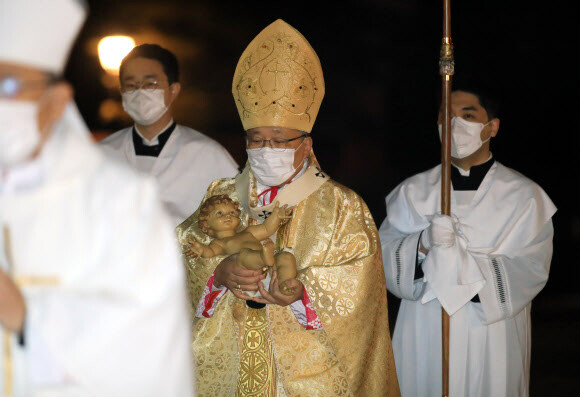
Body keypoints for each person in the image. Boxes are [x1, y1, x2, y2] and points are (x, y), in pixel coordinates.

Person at [176, 19, 400, 396]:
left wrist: (302, 292)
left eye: (278, 140)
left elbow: (358, 289)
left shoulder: (341, 206)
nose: (265, 151)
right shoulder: (224, 193)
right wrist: (219, 272)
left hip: (307, 370)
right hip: (229, 362)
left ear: (307, 144)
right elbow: (184, 247)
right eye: (256, 140)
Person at [0, 1, 194, 395]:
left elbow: (148, 347)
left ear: (55, 102)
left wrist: (26, 318)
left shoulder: (120, 203)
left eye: (8, 85)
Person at [378, 85, 556, 396]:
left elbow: (532, 268)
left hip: (492, 330)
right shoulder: (412, 192)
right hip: (425, 328)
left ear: (492, 126)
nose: (454, 124)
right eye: (446, 115)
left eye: (467, 115)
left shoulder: (525, 197)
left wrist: (462, 270)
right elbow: (382, 257)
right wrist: (421, 244)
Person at [99, 43, 239, 227]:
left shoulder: (207, 155)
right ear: (122, 92)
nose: (140, 92)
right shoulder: (100, 155)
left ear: (173, 90)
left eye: (150, 84)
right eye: (131, 85)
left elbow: (240, 223)